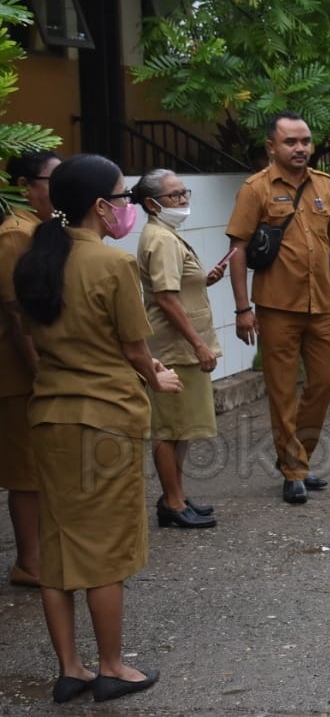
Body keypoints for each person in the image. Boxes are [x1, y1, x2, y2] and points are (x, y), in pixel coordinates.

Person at [14, 153, 181, 703]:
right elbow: (135, 347)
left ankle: (72, 668)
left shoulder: (36, 261)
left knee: (59, 549)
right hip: (103, 421)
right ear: (99, 206)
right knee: (107, 550)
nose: (127, 207)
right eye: (122, 197)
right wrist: (159, 378)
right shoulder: (109, 266)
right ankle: (111, 666)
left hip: (50, 417)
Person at [226, 111, 330, 505]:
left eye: (305, 141)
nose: (300, 148)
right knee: (282, 391)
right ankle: (293, 470)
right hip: (275, 307)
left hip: (321, 304)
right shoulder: (256, 189)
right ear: (272, 146)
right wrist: (241, 309)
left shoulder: (325, 186)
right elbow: (237, 250)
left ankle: (298, 456)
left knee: (323, 384)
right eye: (290, 142)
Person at [135, 169, 227, 529]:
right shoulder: (160, 239)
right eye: (174, 195)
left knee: (183, 426)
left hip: (181, 346)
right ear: (152, 203)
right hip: (174, 348)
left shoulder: (167, 235)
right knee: (169, 428)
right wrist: (199, 344)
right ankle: (172, 503)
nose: (183, 199)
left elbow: (176, 287)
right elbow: (166, 299)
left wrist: (204, 279)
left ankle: (177, 495)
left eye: (184, 191)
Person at [0, 149, 60, 587]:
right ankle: (28, 562)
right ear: (25, 185)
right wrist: (41, 372)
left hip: (39, 365)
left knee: (39, 467)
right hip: (18, 371)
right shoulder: (15, 236)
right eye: (51, 180)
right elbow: (16, 313)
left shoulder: (42, 229)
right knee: (25, 471)